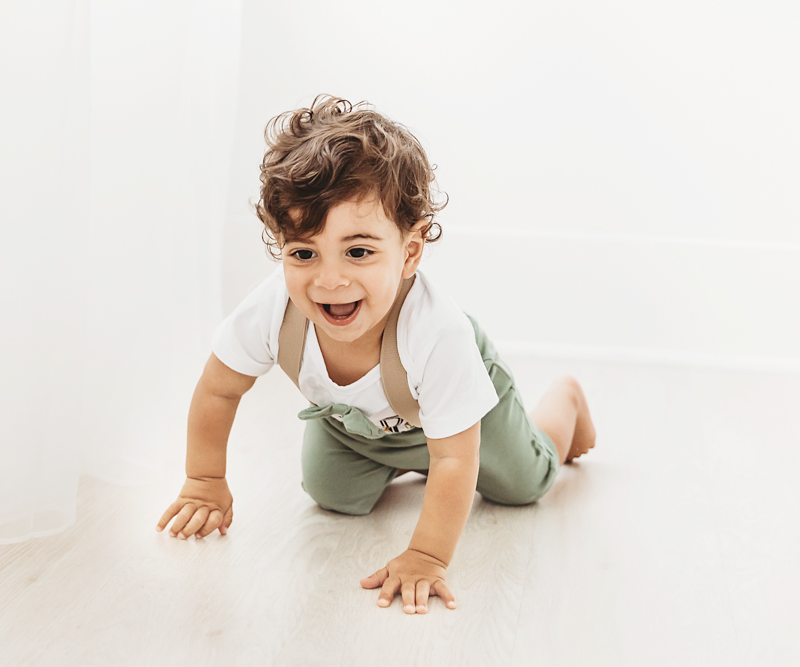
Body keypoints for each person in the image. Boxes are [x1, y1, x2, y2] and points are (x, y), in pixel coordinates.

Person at [156, 95, 596, 615]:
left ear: (408, 253)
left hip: (468, 416)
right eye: (303, 253)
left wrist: (427, 554)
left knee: (522, 486)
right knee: (332, 494)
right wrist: (205, 481)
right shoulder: (273, 309)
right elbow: (218, 389)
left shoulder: (437, 334)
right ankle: (411, 461)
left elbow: (455, 457)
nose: (329, 280)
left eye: (358, 251)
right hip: (361, 427)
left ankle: (564, 406)